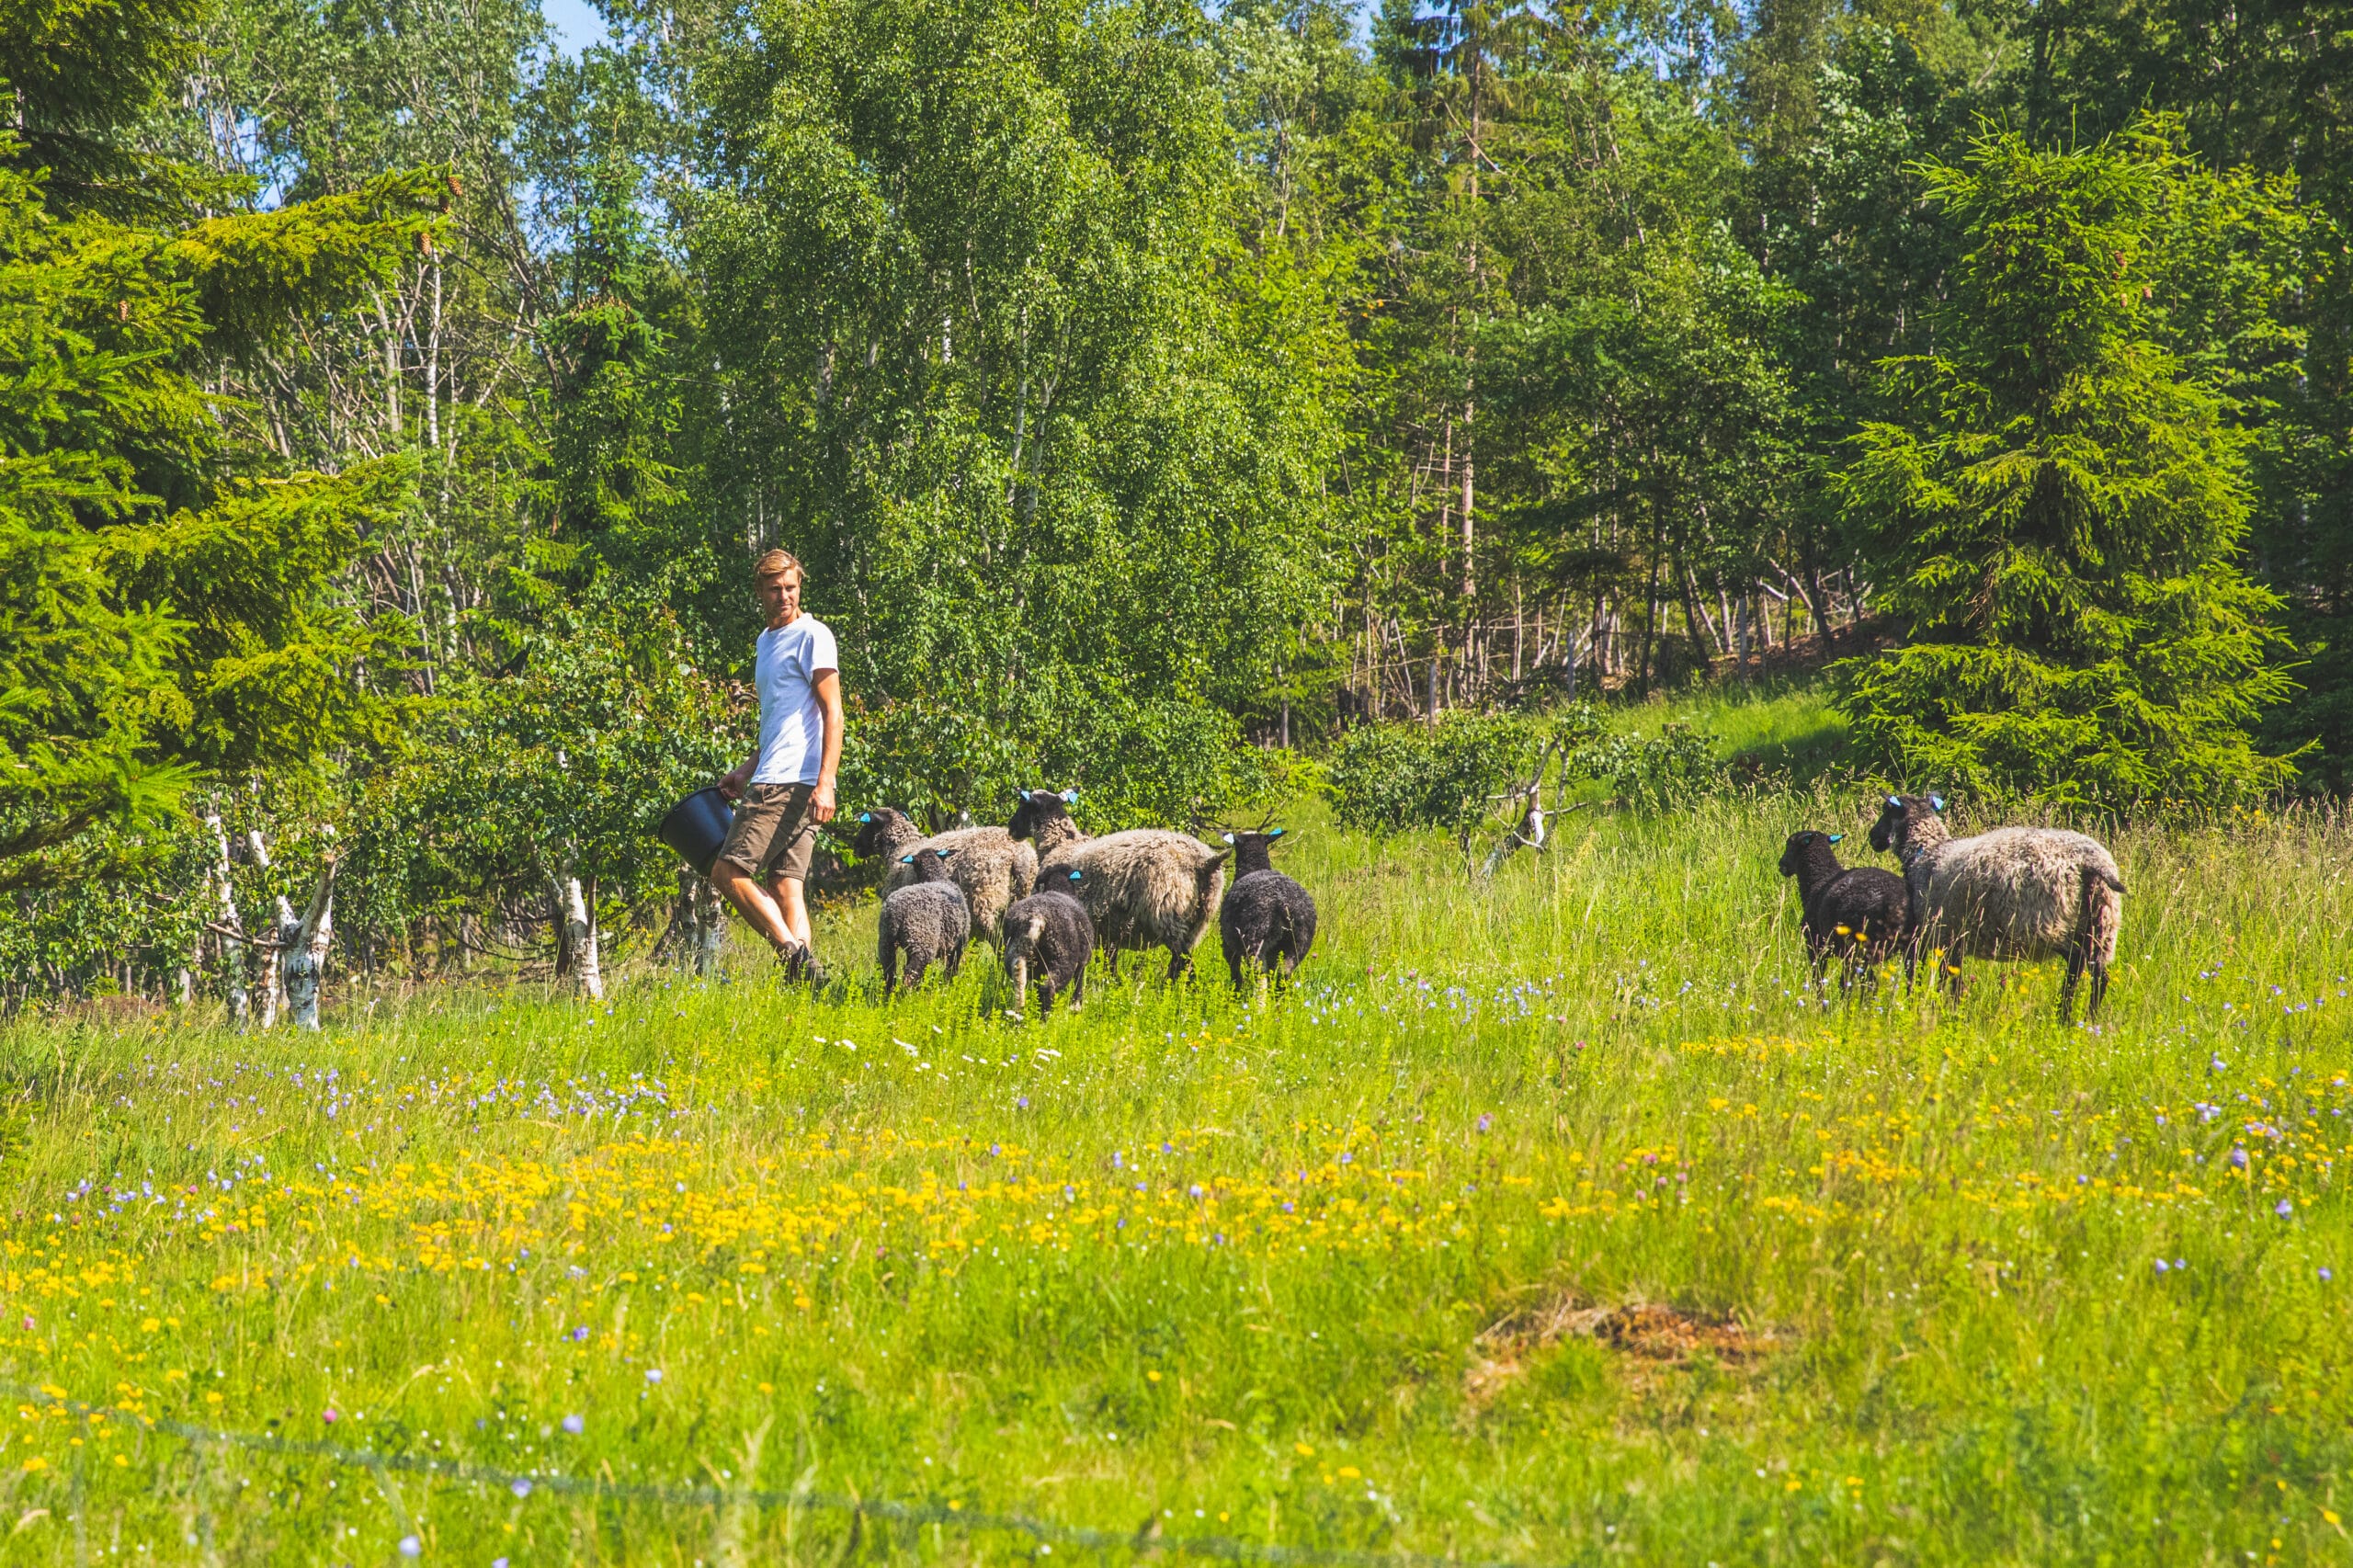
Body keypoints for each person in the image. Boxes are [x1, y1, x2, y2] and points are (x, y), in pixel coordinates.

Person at [711, 548, 841, 984]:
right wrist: (746, 770)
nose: (784, 596)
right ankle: (806, 987)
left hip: (788, 782)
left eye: (791, 587)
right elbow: (783, 721)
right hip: (774, 772)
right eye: (775, 589)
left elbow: (833, 713)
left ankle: (793, 958)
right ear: (760, 592)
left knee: (727, 871)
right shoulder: (766, 642)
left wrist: (827, 783)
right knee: (787, 884)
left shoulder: (813, 635)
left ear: (800, 586)